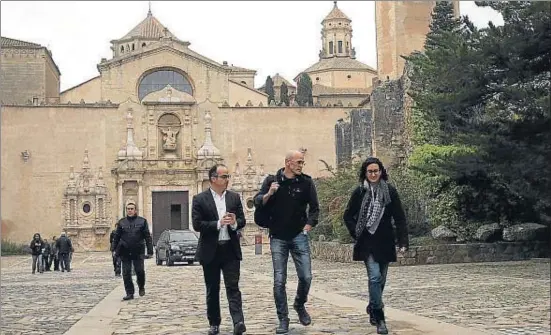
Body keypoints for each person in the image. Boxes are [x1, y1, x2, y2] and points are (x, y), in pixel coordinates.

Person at [254, 150, 319, 334]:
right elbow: (258, 201)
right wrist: (269, 193)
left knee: (306, 276)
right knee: (279, 280)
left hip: (299, 235)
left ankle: (299, 304)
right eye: (298, 162)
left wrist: (308, 227)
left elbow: (315, 208)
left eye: (302, 162)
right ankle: (283, 319)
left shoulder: (306, 182)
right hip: (278, 237)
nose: (301, 165)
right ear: (288, 162)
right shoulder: (271, 181)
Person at [343, 157, 409, 335]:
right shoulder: (359, 192)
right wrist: (355, 232)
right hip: (367, 241)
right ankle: (380, 318)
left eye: (376, 171)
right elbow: (348, 215)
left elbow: (400, 218)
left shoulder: (390, 192)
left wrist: (403, 241)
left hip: (385, 241)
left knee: (381, 280)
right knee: (374, 277)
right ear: (365, 173)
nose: (373, 174)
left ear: (381, 172)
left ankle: (373, 305)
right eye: (370, 171)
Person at [192, 164, 247, 335]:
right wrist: (218, 224)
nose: (227, 180)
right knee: (212, 288)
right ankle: (214, 323)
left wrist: (235, 223)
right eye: (224, 177)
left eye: (228, 176)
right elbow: (197, 224)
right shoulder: (200, 199)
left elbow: (242, 220)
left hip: (230, 249)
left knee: (233, 287)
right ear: (213, 179)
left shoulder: (234, 198)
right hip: (210, 251)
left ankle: (238, 321)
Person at [111, 202, 153, 301]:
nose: (129, 210)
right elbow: (116, 237)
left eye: (131, 209)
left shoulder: (142, 221)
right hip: (125, 251)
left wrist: (150, 250)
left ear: (135, 210)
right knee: (126, 273)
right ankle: (129, 293)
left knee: (140, 271)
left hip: (138, 250)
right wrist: (113, 249)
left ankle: (141, 286)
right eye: (128, 209)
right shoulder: (121, 222)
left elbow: (147, 237)